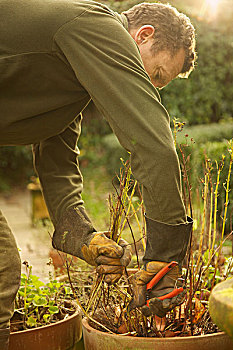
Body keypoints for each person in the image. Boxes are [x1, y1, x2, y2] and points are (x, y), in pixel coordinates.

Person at [0, 0, 196, 347]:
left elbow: (56, 162)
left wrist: (82, 236)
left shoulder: (71, 76)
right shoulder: (97, 26)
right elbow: (155, 145)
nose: (147, 86)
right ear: (143, 36)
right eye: (156, 75)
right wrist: (166, 259)